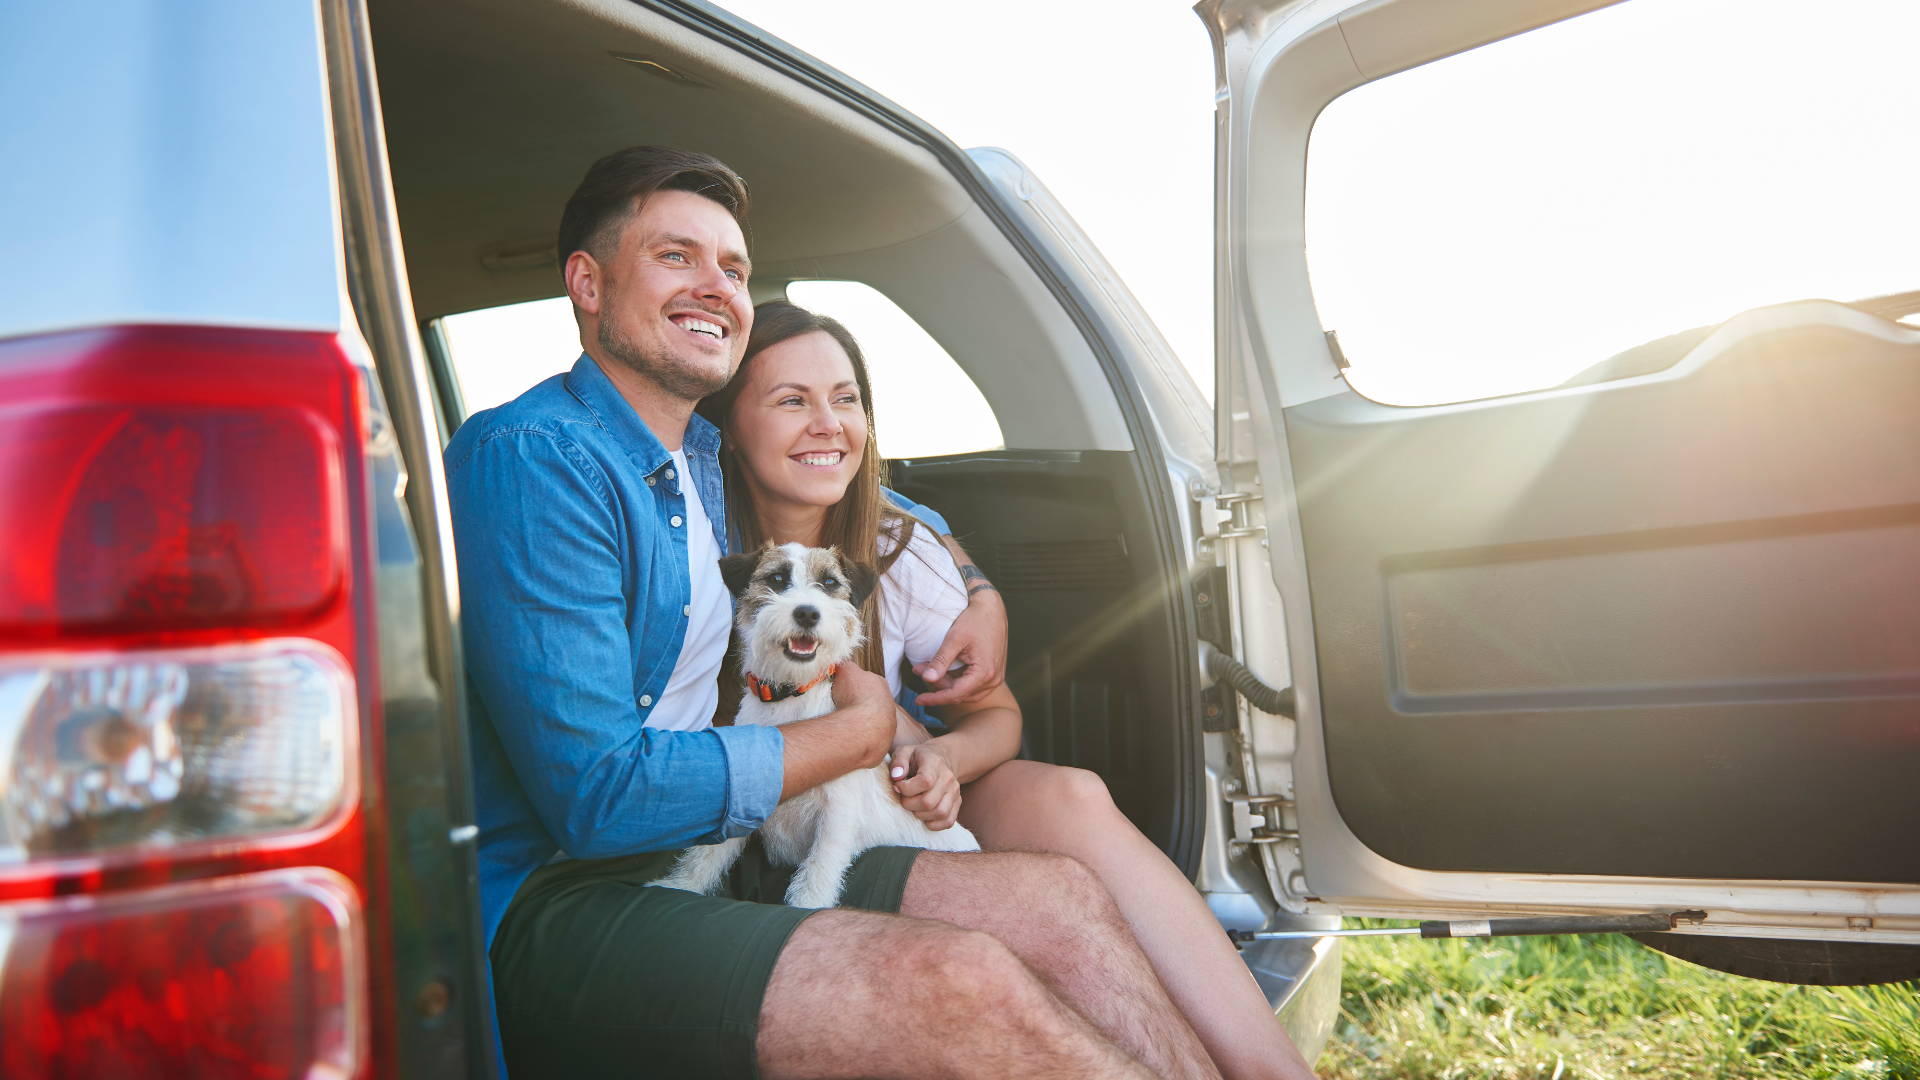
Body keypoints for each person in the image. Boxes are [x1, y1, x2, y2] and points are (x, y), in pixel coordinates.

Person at [446, 144, 1232, 1080]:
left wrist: (975, 582)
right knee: (962, 978)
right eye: (676, 256)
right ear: (587, 280)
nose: (716, 286)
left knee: (1060, 901)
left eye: (733, 268)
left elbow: (848, 487)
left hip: (731, 844)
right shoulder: (537, 456)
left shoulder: (705, 458)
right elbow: (598, 798)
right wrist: (858, 736)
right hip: (574, 892)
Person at [702, 300, 1321, 1080]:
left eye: (847, 398)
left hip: (886, 796)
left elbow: (996, 715)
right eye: (792, 400)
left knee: (1071, 797)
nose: (828, 422)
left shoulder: (899, 547)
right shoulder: (696, 547)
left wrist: (945, 762)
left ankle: (1274, 1070)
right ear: (725, 428)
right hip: (757, 814)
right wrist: (874, 718)